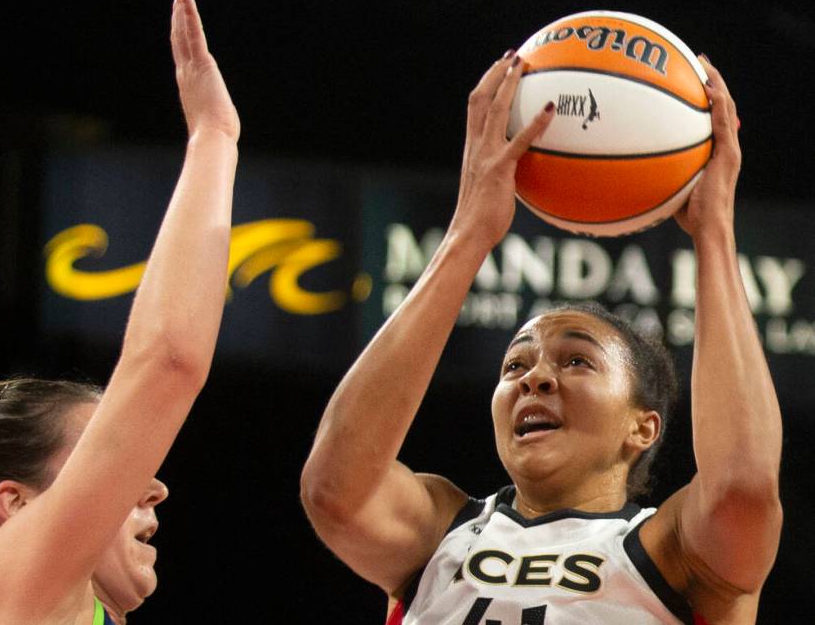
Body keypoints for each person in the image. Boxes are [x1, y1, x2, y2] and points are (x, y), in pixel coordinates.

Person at [301, 49, 782, 624]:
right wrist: (469, 232)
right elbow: (335, 488)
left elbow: (743, 488)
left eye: (578, 361)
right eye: (513, 367)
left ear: (643, 426)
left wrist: (714, 232)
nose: (534, 377)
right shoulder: (440, 532)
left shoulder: (671, 551)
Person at [0, 0, 239, 624]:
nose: (152, 481)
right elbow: (167, 362)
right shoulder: (16, 585)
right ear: (19, 507)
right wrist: (213, 138)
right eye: (104, 451)